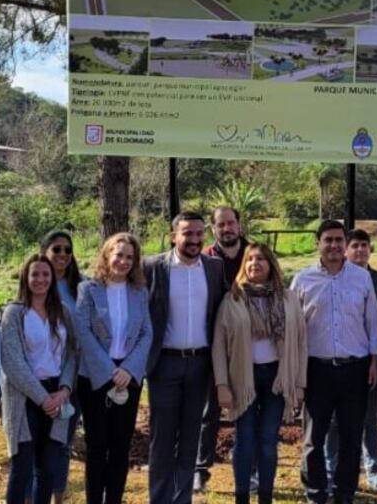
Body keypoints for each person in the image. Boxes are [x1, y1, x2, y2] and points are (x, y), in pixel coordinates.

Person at [291, 220, 377, 504]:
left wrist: (374, 362)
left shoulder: (361, 277)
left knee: (352, 435)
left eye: (338, 240)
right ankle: (316, 492)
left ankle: (345, 493)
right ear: (317, 243)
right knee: (313, 437)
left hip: (355, 368)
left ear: (345, 243)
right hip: (315, 369)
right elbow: (293, 329)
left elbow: (373, 323)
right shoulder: (302, 280)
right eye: (327, 239)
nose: (333, 245)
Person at [212, 243, 307, 504]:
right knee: (244, 439)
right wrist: (222, 384)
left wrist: (299, 384)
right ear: (244, 265)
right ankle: (241, 496)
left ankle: (265, 496)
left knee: (267, 440)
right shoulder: (232, 299)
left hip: (278, 379)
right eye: (251, 259)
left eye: (262, 259)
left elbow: (301, 343)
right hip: (244, 379)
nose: (256, 263)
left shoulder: (288, 299)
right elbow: (218, 346)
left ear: (271, 265)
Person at [143, 211, 227, 504]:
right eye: (187, 233)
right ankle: (160, 498)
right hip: (164, 363)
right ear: (173, 235)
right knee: (162, 437)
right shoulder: (153, 267)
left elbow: (223, 312)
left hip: (201, 364)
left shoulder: (215, 268)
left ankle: (182, 499)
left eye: (198, 233)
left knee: (192, 435)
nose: (193, 239)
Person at [74, 233, 152, 504]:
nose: (124, 261)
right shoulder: (89, 289)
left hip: (128, 377)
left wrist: (128, 370)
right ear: (107, 255)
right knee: (98, 446)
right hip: (96, 376)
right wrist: (110, 371)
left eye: (130, 257)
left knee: (121, 446)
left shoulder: (140, 292)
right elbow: (82, 331)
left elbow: (146, 333)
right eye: (119, 255)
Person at [0, 254, 77, 504]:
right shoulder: (15, 313)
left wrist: (65, 390)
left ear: (52, 277)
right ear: (25, 277)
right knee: (21, 468)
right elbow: (12, 361)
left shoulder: (62, 311)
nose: (41, 279)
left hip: (57, 393)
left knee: (47, 468)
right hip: (25, 396)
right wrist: (43, 399)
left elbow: (71, 354)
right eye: (35, 274)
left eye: (46, 274)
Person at [324, 228, 377, 494]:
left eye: (364, 245)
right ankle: (331, 474)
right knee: (333, 421)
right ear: (345, 248)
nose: (360, 250)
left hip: (372, 361)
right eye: (355, 245)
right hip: (339, 362)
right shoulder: (334, 278)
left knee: (370, 419)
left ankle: (373, 472)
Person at [196, 206, 250, 494]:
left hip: (249, 346)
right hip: (212, 346)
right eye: (221, 225)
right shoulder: (205, 258)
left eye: (231, 223)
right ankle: (200, 469)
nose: (227, 229)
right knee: (209, 410)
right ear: (213, 229)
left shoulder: (255, 255)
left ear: (239, 226)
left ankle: (248, 467)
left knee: (249, 407)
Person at [39, 230, 84, 504]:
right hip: (39, 378)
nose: (63, 255)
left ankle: (58, 496)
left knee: (62, 443)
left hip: (71, 378)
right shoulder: (35, 284)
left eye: (68, 250)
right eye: (57, 249)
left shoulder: (81, 287)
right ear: (44, 251)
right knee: (36, 444)